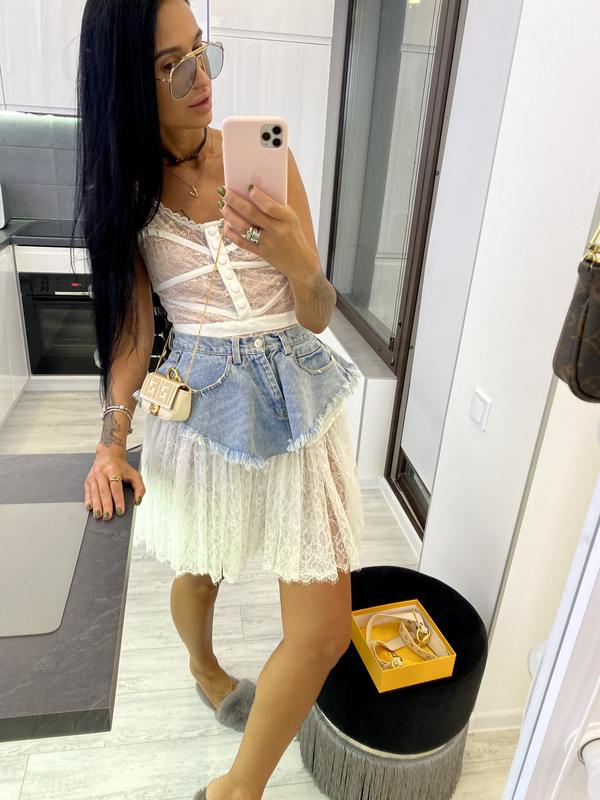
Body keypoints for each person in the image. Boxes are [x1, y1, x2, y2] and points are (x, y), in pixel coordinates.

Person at [77, 1, 364, 798]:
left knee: (323, 634)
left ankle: (235, 790)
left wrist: (300, 262)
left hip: (297, 401)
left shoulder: (265, 158)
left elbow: (316, 312)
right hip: (202, 407)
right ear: (126, 85)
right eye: (171, 65)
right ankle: (203, 666)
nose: (200, 77)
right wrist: (111, 441)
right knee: (203, 570)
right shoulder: (129, 194)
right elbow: (134, 331)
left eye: (201, 51)